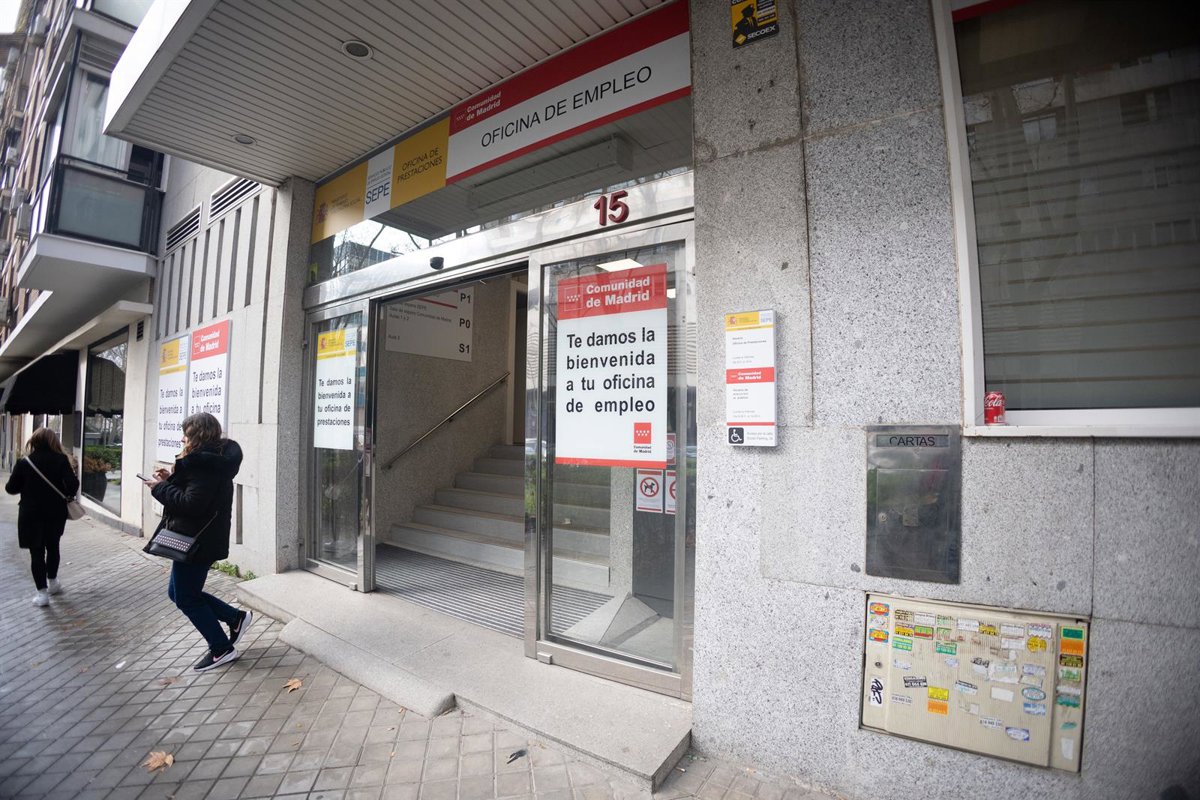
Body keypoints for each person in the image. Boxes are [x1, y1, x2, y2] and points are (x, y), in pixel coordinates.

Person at [144, 412, 252, 672]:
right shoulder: (211, 462)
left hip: (197, 541)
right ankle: (235, 618)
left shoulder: (203, 465)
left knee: (186, 597)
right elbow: (196, 494)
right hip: (200, 538)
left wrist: (159, 488)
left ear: (197, 437)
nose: (182, 439)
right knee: (179, 593)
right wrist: (169, 480)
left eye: (186, 435)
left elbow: (192, 504)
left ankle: (221, 648)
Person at [5, 428, 80, 607]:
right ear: (54, 441)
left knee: (36, 552)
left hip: (30, 514)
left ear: (34, 441)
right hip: (55, 513)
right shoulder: (61, 460)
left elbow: (11, 488)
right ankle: (53, 582)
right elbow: (72, 486)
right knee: (53, 547)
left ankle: (42, 594)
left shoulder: (24, 463)